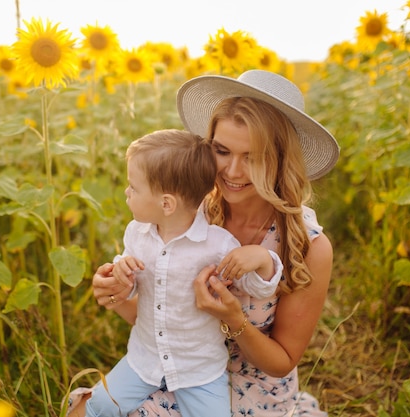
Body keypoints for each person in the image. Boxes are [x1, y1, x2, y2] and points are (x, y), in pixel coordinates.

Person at [70, 69, 339, 416]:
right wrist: (117, 293)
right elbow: (163, 318)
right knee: (85, 410)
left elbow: (281, 362)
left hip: (251, 388)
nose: (232, 171)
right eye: (222, 151)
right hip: (176, 367)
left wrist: (231, 317)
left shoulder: (308, 246)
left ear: (280, 160)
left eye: (252, 157)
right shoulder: (187, 213)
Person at [82, 128, 284, 417]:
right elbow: (132, 285)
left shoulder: (217, 244)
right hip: (144, 358)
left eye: (133, 188)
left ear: (166, 203)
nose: (127, 192)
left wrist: (263, 260)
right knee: (99, 405)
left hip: (199, 368)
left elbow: (256, 287)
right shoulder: (137, 234)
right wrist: (120, 273)